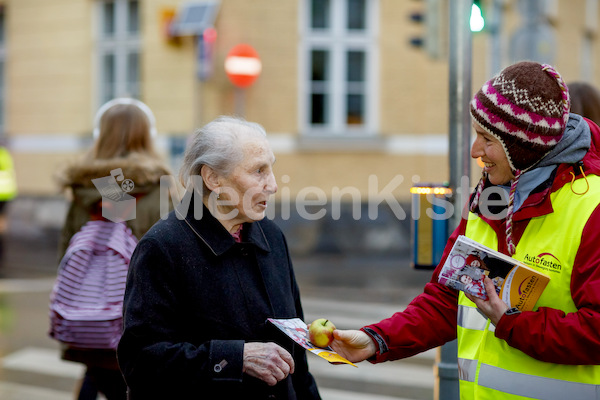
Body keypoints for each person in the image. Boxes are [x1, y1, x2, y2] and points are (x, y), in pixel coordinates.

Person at [332, 61, 600, 399]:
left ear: (522, 147)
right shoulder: (489, 197)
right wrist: (376, 340)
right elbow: (447, 298)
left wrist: (513, 324)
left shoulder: (592, 208)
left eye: (486, 139)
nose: (475, 152)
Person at [117, 116, 321, 399]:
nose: (273, 185)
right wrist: (236, 358)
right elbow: (141, 363)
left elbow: (298, 361)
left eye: (271, 169)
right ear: (212, 178)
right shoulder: (162, 247)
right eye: (259, 171)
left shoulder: (271, 236)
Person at [55, 98, 171, 400]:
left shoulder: (85, 190)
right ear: (147, 136)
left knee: (99, 377)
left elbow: (65, 255)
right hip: (140, 328)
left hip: (89, 320)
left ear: (101, 136)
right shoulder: (161, 190)